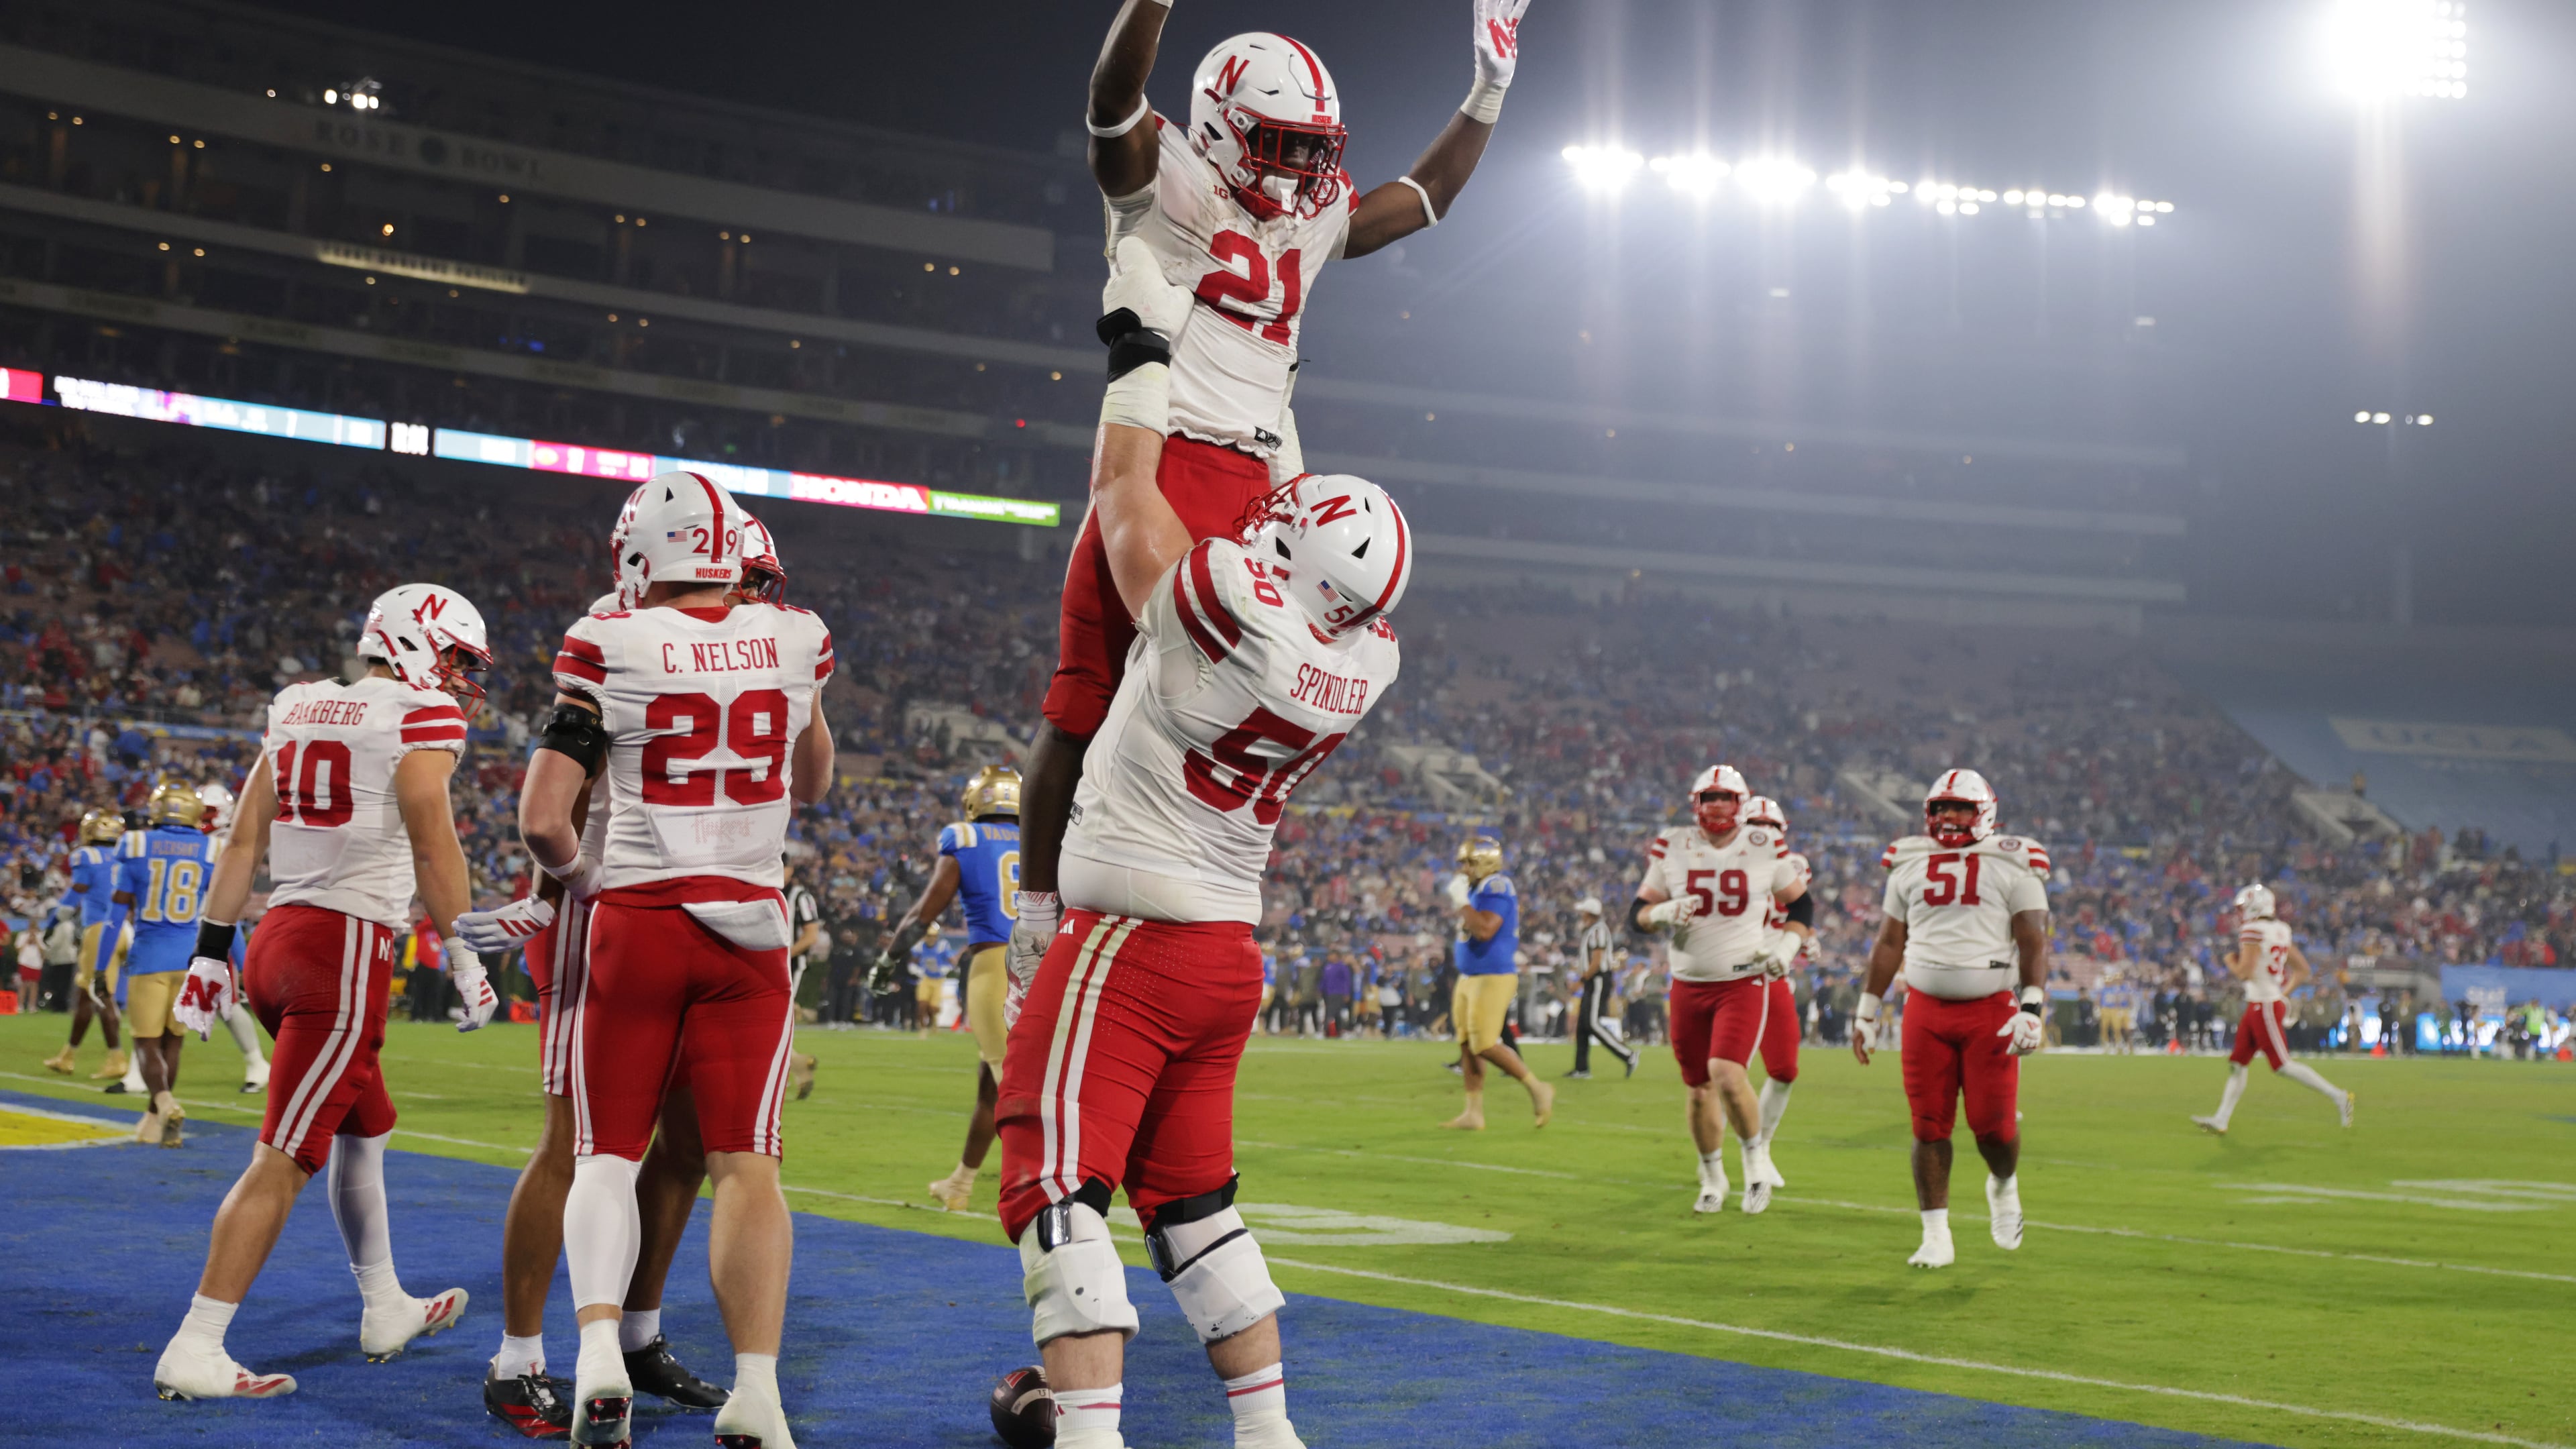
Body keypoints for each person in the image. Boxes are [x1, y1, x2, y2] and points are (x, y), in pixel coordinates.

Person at [1015, 0, 1540, 994]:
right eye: (1280, 144)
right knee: (1086, 696)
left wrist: (1489, 89)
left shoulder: (1309, 208)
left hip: (1262, 485)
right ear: (1217, 126)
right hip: (1160, 457)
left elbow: (1423, 196)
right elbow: (1112, 99)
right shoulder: (1161, 177)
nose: (1301, 171)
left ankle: (1189, 906)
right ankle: (1041, 915)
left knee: (1247, 703)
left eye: (1314, 150)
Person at [995, 244, 1409, 1449]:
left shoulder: (1227, 612)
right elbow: (1291, 527)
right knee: (1196, 1212)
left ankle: (1088, 1436)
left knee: (1052, 1182)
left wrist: (1141, 352)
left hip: (1133, 936)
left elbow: (1126, 496)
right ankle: (1270, 1436)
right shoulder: (1359, 658)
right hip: (1226, 953)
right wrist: (1269, 397)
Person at [513, 470, 834, 1448]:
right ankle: (759, 1392)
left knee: (602, 1156)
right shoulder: (797, 637)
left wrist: (582, 879)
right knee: (748, 1169)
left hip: (641, 919)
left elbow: (541, 821)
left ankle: (600, 1357)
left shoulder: (605, 640)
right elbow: (814, 781)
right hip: (750, 928)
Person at [150, 583, 497, 1401]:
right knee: (284, 1159)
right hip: (340, 955)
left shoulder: (299, 703)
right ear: (418, 645)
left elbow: (242, 840)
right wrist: (466, 951)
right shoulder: (418, 718)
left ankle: (385, 1305)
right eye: (453, 659)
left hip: (277, 941)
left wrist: (211, 953)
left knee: (365, 1128)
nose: (456, 680)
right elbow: (432, 838)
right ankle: (196, 1345)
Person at [1850, 769, 2051, 1269]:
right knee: (1928, 1125)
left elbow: (2033, 940)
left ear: (1984, 812)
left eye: (1961, 808)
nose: (1949, 818)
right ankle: (1936, 1235)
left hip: (1990, 1009)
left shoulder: (2015, 859)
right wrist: (1867, 1010)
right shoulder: (1908, 861)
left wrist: (2031, 1006)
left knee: (1993, 1129)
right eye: (1941, 808)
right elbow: (1889, 942)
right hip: (1924, 1007)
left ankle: (2003, 1186)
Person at [1632, 767, 1807, 1214]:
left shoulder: (1764, 845)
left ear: (1741, 804)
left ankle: (1755, 1164)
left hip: (1742, 979)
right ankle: (1712, 1176)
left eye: (1725, 798)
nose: (1716, 806)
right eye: (1708, 797)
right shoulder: (1672, 843)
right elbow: (1638, 914)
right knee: (1698, 1089)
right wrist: (1662, 913)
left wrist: (1789, 944)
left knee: (1728, 1074)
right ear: (1696, 802)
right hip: (1688, 982)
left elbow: (1801, 902)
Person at [873, 765, 1023, 1210]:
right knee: (992, 1086)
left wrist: (889, 959)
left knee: (1013, 1087)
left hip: (995, 965)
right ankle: (960, 1183)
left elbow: (925, 911)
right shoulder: (1044, 837)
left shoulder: (965, 838)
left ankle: (1048, 1188)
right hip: (1047, 965)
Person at [105, 783, 217, 1146]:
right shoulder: (212, 848)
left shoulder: (136, 844)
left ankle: (165, 1103)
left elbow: (115, 913)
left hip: (150, 956)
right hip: (191, 958)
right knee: (174, 1044)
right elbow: (222, 912)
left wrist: (98, 968)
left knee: (146, 1043)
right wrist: (237, 962)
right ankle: (156, 1121)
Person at [2193, 884, 2354, 1134]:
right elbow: (2303, 970)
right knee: (2238, 1063)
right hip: (2264, 1003)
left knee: (2282, 1065)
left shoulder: (2253, 930)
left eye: (2244, 908)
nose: (2241, 913)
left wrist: (2230, 962)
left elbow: (2245, 973)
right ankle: (2221, 1119)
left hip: (2263, 1006)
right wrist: (2282, 994)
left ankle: (2338, 1096)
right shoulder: (2281, 930)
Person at [1443, 835, 1553, 1130]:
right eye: (1462, 862)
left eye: (1469, 862)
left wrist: (1461, 902)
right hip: (1470, 976)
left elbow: (1485, 930)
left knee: (1485, 1044)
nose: (1463, 868)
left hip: (1492, 975)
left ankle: (1537, 1088)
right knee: (1467, 1045)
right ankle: (1473, 1112)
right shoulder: (1477, 887)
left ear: (1485, 862)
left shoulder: (1497, 885)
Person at [1740, 796, 1817, 1185]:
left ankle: (1763, 1146)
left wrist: (1806, 940)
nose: (1764, 833)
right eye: (1757, 824)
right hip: (1732, 979)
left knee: (1785, 1070)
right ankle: (1716, 1161)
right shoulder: (1724, 867)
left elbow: (1799, 912)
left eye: (1771, 827)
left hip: (1773, 977)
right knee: (1724, 1074)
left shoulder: (1790, 868)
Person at [42, 808, 127, 1082]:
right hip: (124, 928)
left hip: (100, 930)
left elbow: (75, 892)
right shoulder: (124, 855)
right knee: (85, 996)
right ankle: (67, 1056)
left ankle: (117, 1057)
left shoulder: (85, 855)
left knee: (101, 994)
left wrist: (55, 921)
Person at [194, 780, 270, 1092]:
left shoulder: (224, 845)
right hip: (178, 929)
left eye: (207, 812)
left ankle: (257, 1062)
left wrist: (239, 953)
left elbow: (230, 905)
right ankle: (139, 1070)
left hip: (209, 929)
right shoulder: (196, 842)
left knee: (226, 1002)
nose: (200, 818)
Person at [1564, 897, 1635, 1079]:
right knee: (1582, 1026)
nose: (1581, 914)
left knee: (1593, 1024)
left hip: (1597, 980)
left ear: (1589, 913)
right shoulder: (1592, 930)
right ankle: (1582, 1069)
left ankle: (1628, 1055)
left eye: (1583, 912)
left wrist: (1581, 980)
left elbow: (1596, 961)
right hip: (1593, 980)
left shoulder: (1598, 931)